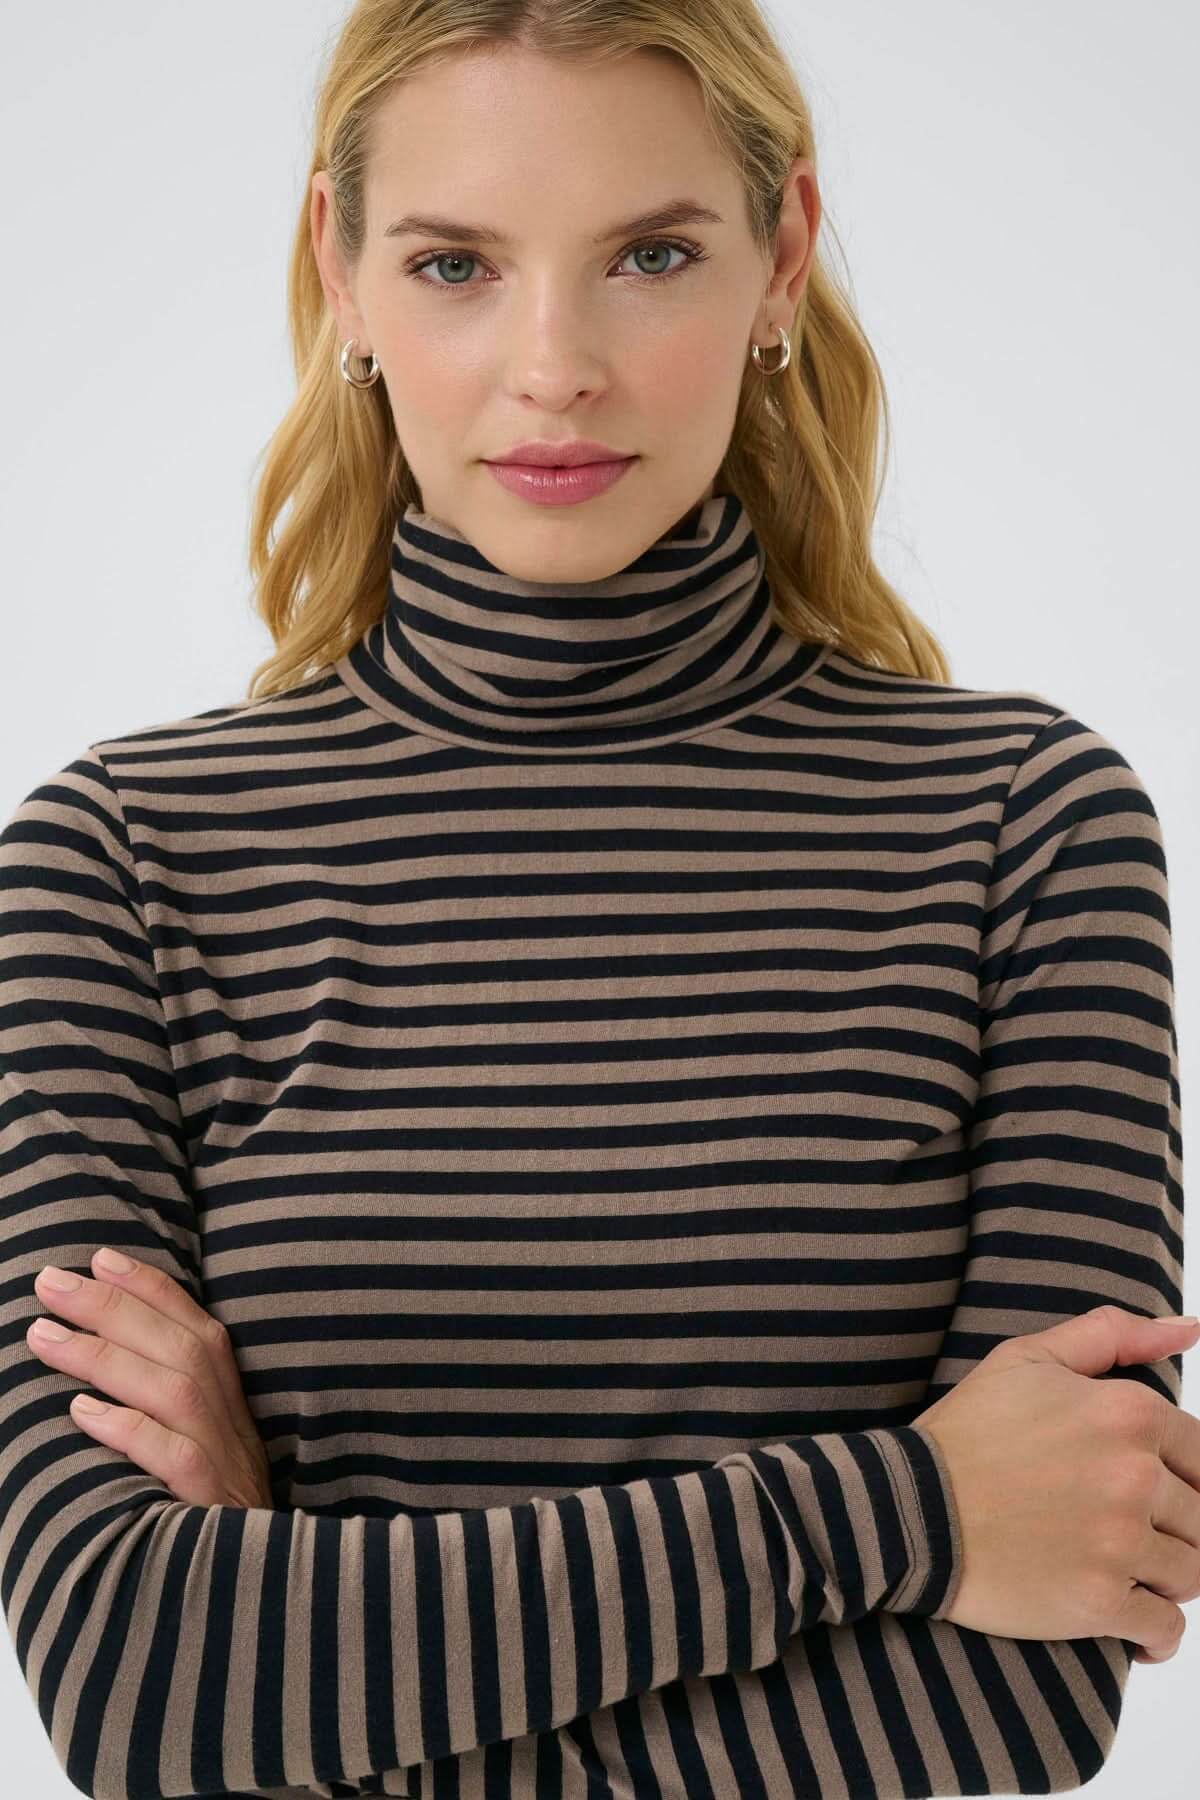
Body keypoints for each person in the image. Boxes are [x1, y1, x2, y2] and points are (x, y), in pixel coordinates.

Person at [0, 4, 1187, 1797]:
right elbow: (135, 1684)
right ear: (339, 270)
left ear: (781, 257)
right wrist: (920, 1508)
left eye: (650, 257)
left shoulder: (1021, 828)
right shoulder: (121, 861)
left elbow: (1023, 1700)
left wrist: (303, 1617)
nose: (554, 367)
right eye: (455, 264)